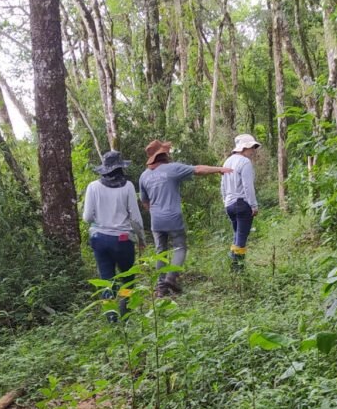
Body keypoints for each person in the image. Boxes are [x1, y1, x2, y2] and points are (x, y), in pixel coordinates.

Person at [138, 140, 232, 296]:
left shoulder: (144, 176)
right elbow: (199, 169)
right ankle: (171, 277)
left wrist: (154, 211)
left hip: (156, 220)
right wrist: (220, 169)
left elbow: (145, 201)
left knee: (160, 251)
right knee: (180, 247)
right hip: (173, 217)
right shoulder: (172, 169)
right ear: (163, 154)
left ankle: (161, 289)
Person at [82, 150, 146, 321]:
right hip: (123, 240)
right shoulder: (128, 187)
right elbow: (135, 218)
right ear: (121, 169)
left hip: (99, 239)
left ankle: (111, 317)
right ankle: (125, 315)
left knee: (106, 280)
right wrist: (141, 239)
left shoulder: (93, 187)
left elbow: (87, 217)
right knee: (127, 278)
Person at [221, 134, 261, 270]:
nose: (253, 151)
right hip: (242, 203)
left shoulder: (227, 161)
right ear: (244, 147)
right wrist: (254, 205)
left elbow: (223, 185)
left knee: (237, 235)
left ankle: (234, 266)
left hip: (230, 204)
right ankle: (238, 269)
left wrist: (225, 201)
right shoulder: (245, 162)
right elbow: (248, 186)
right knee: (241, 237)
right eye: (252, 147)